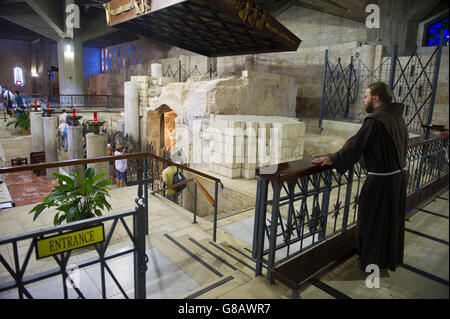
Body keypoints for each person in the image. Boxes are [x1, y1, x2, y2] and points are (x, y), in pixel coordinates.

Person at [312, 82, 408, 272]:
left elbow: (356, 145)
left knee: (371, 223)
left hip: (380, 182)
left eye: (365, 96)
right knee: (389, 222)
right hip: (396, 180)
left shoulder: (376, 120)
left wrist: (334, 157)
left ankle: (370, 264)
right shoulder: (397, 119)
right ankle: (386, 259)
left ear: (376, 98)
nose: (363, 100)